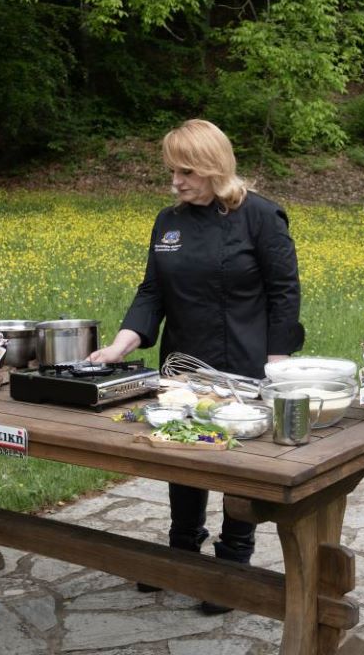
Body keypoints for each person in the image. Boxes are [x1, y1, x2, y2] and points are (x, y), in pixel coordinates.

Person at [89, 118, 305, 614]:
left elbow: (284, 293)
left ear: (213, 166)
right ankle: (182, 549)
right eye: (171, 171)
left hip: (245, 365)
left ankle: (233, 561)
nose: (175, 182)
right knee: (182, 456)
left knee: (236, 464)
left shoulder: (261, 216)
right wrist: (119, 346)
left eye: (185, 171)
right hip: (182, 364)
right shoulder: (169, 222)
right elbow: (152, 292)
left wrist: (277, 364)